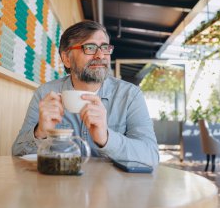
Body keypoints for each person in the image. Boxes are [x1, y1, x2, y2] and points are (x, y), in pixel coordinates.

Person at [12, 20, 159, 166]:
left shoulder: (130, 95)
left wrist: (106, 138)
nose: (100, 55)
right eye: (90, 47)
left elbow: (151, 155)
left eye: (105, 48)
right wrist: (40, 132)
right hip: (59, 186)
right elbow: (17, 153)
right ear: (67, 59)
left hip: (111, 188)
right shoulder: (46, 94)